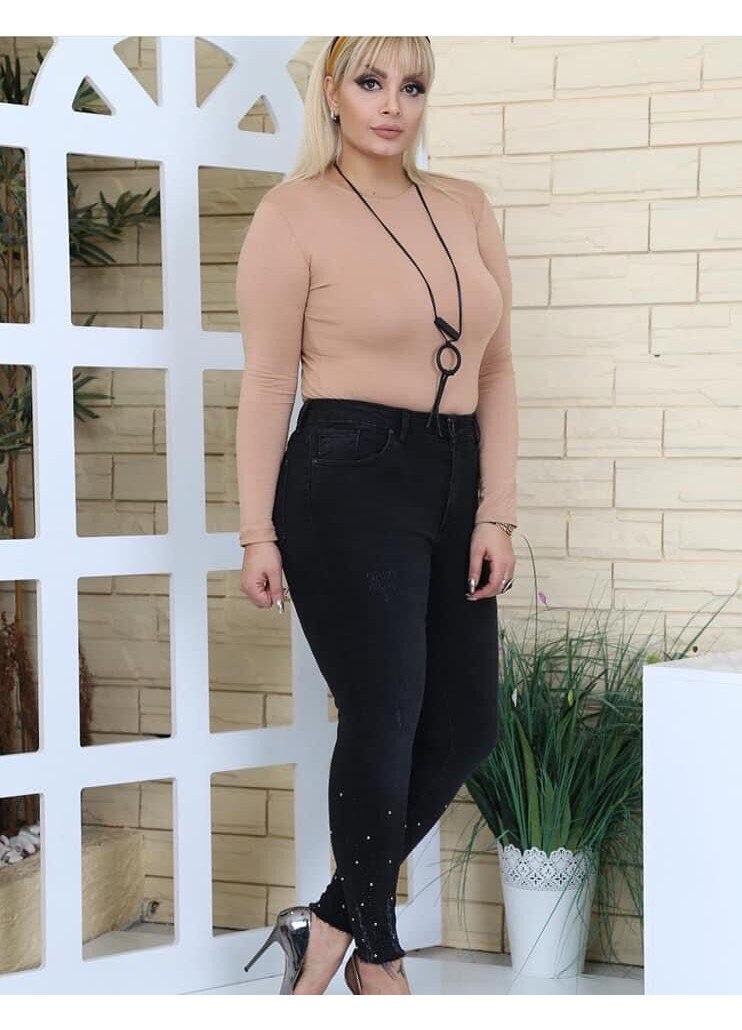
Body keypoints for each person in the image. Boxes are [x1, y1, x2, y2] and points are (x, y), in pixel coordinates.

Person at [235, 35, 518, 996]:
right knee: (385, 715)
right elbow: (268, 382)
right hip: (344, 475)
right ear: (333, 92)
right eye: (370, 81)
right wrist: (257, 530)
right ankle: (380, 960)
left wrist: (497, 510)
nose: (392, 104)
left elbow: (497, 370)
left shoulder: (465, 206)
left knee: (467, 721)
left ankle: (324, 925)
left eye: (412, 85)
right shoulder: (292, 214)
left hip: (455, 470)